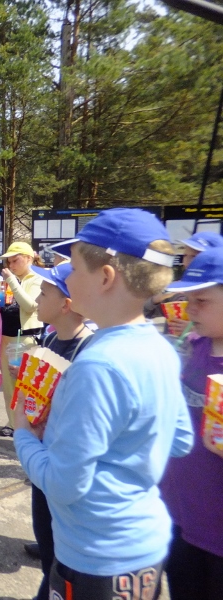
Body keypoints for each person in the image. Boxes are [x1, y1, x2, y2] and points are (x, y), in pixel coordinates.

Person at [14, 208, 194, 600]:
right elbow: (180, 440)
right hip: (143, 546)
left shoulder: (98, 364)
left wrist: (23, 434)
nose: (68, 278)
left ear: (106, 277)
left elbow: (63, 484)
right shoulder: (161, 348)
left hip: (95, 556)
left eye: (75, 269)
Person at [24, 262, 94, 600]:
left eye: (44, 293)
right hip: (44, 459)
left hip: (64, 465)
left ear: (66, 304)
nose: (37, 299)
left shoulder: (89, 351)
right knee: (45, 538)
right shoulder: (50, 338)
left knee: (60, 552)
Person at [158, 247, 223, 600]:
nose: (189, 309)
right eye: (188, 299)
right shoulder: (192, 349)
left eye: (201, 301)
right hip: (178, 518)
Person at [0, 242, 43, 437]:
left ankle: (30, 424)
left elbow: (30, 306)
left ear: (29, 258)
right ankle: (14, 422)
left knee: (26, 386)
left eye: (15, 260)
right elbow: (7, 305)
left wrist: (12, 281)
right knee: (8, 386)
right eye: (9, 262)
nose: (11, 265)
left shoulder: (36, 278)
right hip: (6, 337)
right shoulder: (10, 280)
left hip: (25, 338)